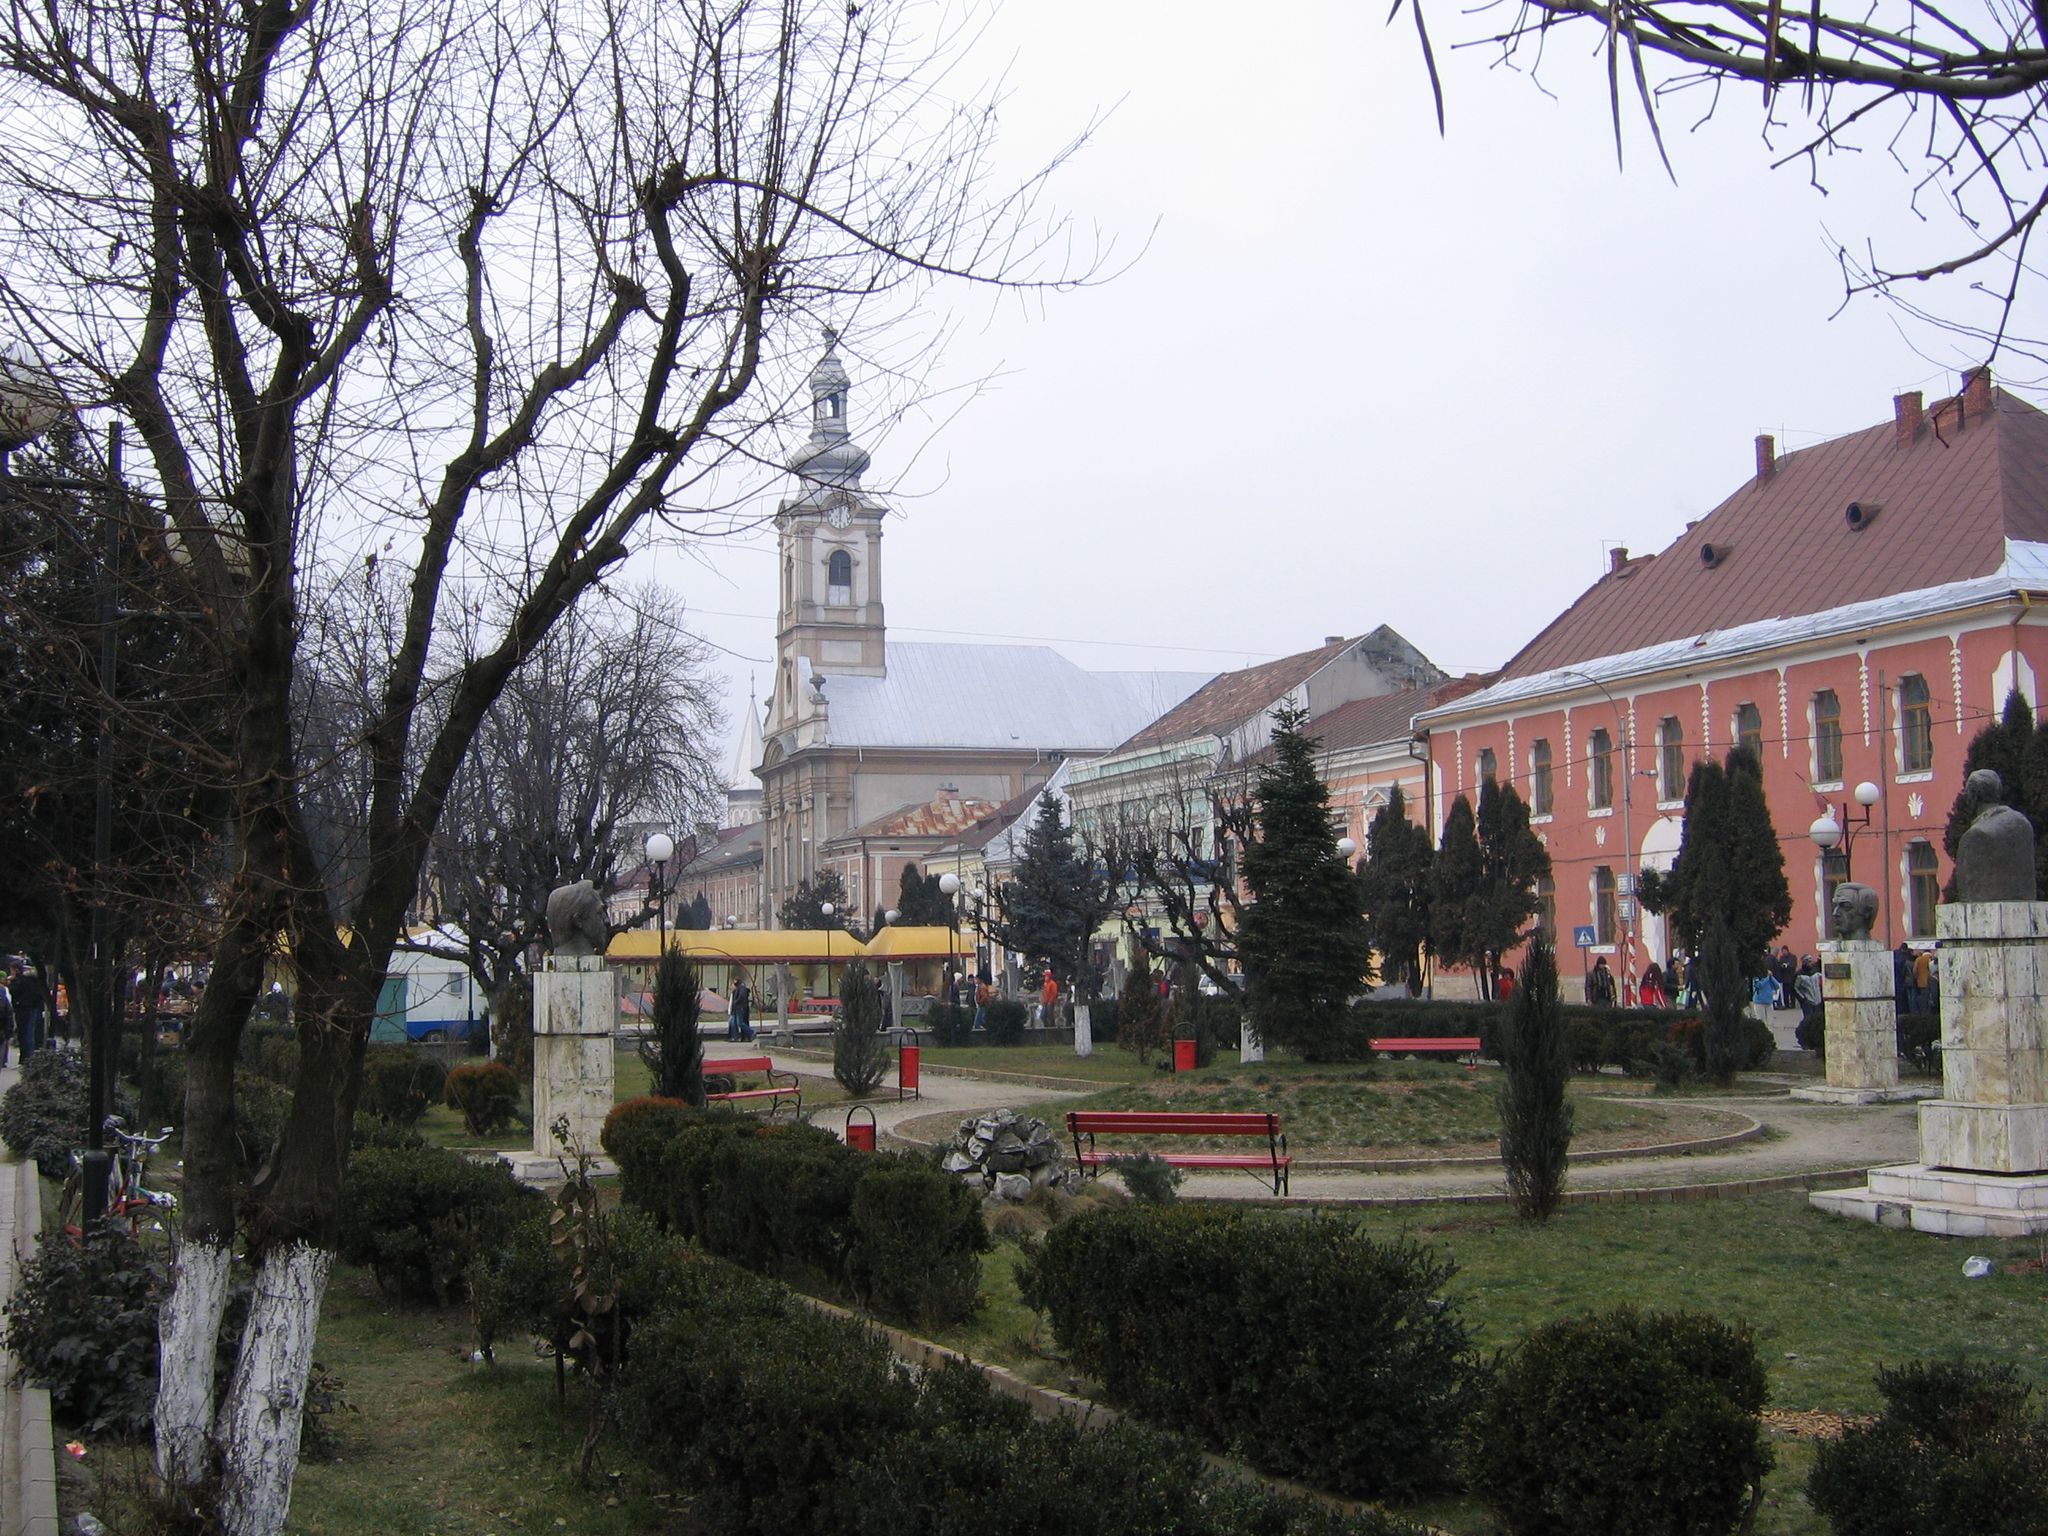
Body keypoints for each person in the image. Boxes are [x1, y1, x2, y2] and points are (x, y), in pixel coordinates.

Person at [8, 961, 47, 1057]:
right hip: (32, 1007)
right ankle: (27, 1057)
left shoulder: (20, 981)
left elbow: (14, 992)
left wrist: (11, 982)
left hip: (23, 1008)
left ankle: (27, 1056)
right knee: (28, 1032)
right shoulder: (33, 981)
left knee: (26, 1033)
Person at [729, 974, 753, 1042]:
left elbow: (741, 997)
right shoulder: (738, 989)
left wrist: (735, 1002)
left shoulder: (741, 988)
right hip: (737, 1008)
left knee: (740, 1023)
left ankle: (751, 1033)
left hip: (740, 1007)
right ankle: (737, 1037)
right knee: (736, 1022)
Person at [1912, 947, 1933, 1016]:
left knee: (1923, 997)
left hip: (1921, 982)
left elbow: (1914, 971)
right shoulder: (1932, 959)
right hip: (1933, 981)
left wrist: (1917, 978)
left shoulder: (1919, 959)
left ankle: (1924, 1012)